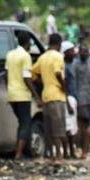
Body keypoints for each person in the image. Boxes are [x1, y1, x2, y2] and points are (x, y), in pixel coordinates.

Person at [32, 33, 69, 163]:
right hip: (57, 96)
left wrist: (42, 81)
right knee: (58, 129)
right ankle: (58, 155)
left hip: (46, 96)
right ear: (59, 44)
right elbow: (58, 72)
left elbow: (33, 74)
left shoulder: (42, 58)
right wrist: (63, 86)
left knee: (49, 128)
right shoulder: (58, 56)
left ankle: (49, 154)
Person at [6, 31, 42, 160]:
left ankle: (22, 151)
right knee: (25, 123)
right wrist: (36, 96)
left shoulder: (10, 55)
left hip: (12, 95)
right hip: (22, 95)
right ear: (28, 43)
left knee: (22, 123)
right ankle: (18, 154)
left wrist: (9, 90)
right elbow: (27, 78)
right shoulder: (25, 56)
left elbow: (6, 75)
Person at [72, 45, 90, 149]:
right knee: (81, 123)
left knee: (88, 123)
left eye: (87, 52)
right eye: (83, 52)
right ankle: (80, 146)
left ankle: (85, 147)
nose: (85, 54)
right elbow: (74, 82)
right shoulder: (75, 65)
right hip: (80, 98)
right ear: (79, 53)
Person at [61, 41, 79, 158]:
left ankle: (71, 151)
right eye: (72, 51)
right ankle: (68, 152)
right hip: (68, 98)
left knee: (72, 126)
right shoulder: (64, 67)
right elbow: (63, 85)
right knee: (68, 126)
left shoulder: (72, 65)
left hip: (73, 97)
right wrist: (67, 102)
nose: (74, 53)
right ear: (66, 53)